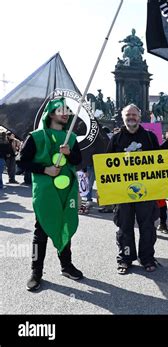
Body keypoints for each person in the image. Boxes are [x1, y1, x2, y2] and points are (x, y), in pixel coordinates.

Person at [18, 98, 83, 291]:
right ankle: (36, 272)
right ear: (51, 113)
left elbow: (78, 160)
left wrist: (70, 153)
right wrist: (45, 169)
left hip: (67, 190)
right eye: (60, 109)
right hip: (46, 191)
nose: (65, 112)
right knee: (42, 230)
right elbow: (22, 162)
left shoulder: (70, 137)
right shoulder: (36, 136)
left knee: (64, 224)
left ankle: (66, 266)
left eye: (67, 110)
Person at [107, 104, 160, 274]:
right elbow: (106, 166)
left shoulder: (150, 137)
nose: (131, 117)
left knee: (147, 227)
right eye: (128, 114)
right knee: (125, 226)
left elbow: (160, 164)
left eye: (134, 114)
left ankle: (147, 258)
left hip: (147, 191)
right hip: (123, 192)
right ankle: (126, 258)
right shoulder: (116, 139)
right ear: (123, 117)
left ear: (139, 116)